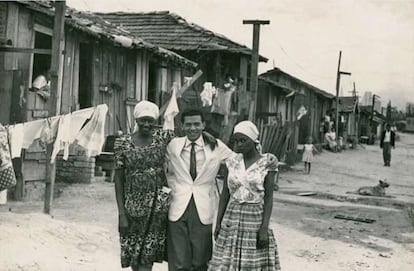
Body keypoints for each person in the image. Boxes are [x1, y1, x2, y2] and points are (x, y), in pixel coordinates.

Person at [208, 120, 281, 271]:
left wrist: (264, 228)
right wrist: (219, 222)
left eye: (243, 140)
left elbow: (268, 199)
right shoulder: (231, 162)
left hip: (254, 217)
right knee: (227, 261)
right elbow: (225, 194)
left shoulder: (267, 163)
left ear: (254, 141)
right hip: (232, 217)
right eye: (236, 141)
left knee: (250, 261)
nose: (239, 144)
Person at [113, 101, 175, 271]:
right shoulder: (123, 143)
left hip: (157, 206)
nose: (147, 124)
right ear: (136, 120)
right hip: (133, 206)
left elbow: (189, 136)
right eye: (143, 120)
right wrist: (121, 214)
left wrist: (207, 136)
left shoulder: (163, 137)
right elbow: (118, 180)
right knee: (135, 256)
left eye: (150, 120)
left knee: (147, 256)